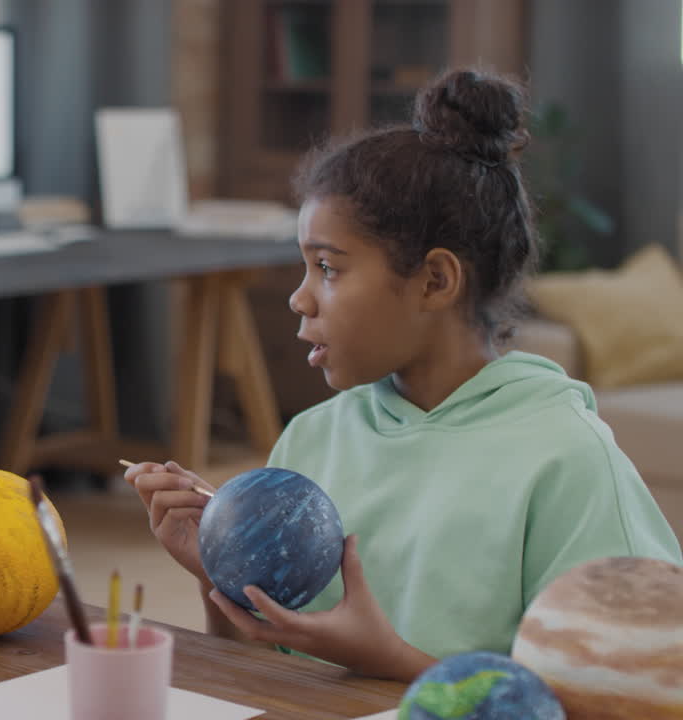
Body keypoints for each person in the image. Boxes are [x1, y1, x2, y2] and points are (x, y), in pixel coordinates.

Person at [125, 69, 682, 681]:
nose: (298, 299)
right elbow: (274, 678)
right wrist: (220, 576)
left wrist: (387, 661)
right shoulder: (310, 440)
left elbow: (627, 694)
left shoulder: (568, 462)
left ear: (435, 281)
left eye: (328, 269)